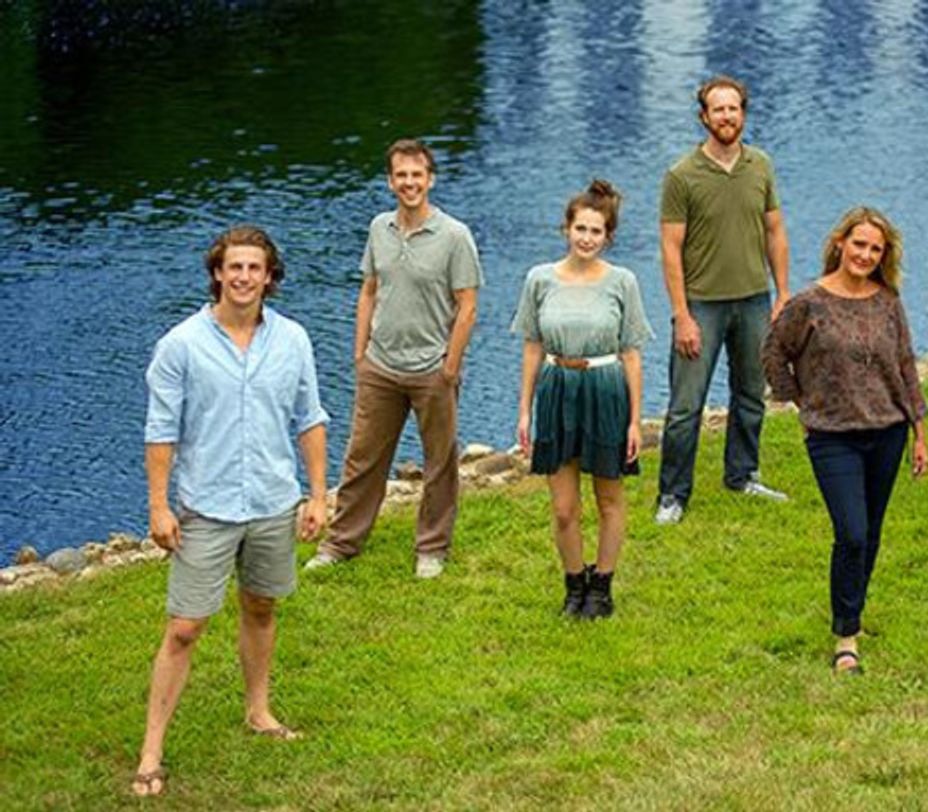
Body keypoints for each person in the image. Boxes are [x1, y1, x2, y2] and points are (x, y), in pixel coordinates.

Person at [133, 226, 328, 796]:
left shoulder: (292, 340)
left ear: (270, 277)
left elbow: (310, 417)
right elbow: (160, 432)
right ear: (217, 273)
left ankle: (258, 712)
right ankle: (151, 753)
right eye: (233, 267)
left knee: (262, 606)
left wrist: (317, 494)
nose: (243, 277)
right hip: (207, 508)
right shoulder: (181, 345)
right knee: (185, 627)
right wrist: (158, 506)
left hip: (272, 501)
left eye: (255, 269)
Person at [762, 207, 928, 676]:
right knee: (851, 532)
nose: (866, 255)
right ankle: (845, 639)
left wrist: (919, 432)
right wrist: (802, 404)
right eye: (859, 244)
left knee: (871, 533)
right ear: (840, 243)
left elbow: (906, 365)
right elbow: (773, 352)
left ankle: (852, 610)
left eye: (875, 249)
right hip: (832, 437)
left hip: (888, 430)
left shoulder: (888, 300)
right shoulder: (809, 304)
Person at [306, 138, 483, 578]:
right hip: (380, 367)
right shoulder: (378, 228)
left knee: (439, 463)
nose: (409, 183)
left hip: (432, 370)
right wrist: (359, 354)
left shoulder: (454, 236)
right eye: (401, 176)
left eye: (417, 175)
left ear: (430, 179)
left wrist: (450, 367)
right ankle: (341, 543)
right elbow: (368, 291)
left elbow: (468, 306)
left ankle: (432, 549)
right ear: (390, 181)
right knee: (361, 458)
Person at [655, 74, 791, 525]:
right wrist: (681, 315)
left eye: (734, 109)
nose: (727, 116)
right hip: (702, 305)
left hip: (754, 300)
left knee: (751, 393)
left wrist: (783, 294)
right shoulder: (682, 175)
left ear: (743, 114)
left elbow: (774, 230)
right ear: (704, 117)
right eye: (718, 109)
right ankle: (673, 495)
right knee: (685, 407)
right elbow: (671, 248)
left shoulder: (761, 166)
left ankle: (743, 475)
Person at [513, 180, 652, 618]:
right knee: (563, 508)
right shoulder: (539, 279)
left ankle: (602, 587)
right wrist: (523, 411)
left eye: (597, 231)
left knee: (609, 498)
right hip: (557, 389)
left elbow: (631, 354)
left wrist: (635, 421)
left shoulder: (622, 282)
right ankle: (574, 585)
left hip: (606, 388)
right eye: (581, 229)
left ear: (608, 236)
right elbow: (532, 346)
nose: (587, 238)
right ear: (566, 230)